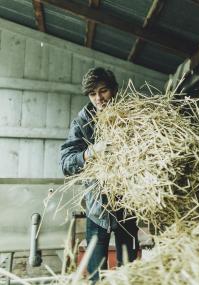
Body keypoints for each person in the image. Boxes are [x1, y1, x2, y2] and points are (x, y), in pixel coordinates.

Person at [60, 67, 139, 282]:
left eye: (103, 91)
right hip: (97, 210)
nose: (98, 98)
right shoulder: (81, 123)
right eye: (93, 94)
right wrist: (90, 152)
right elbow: (66, 163)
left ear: (113, 90)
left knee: (129, 274)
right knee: (96, 276)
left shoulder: (132, 116)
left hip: (128, 208)